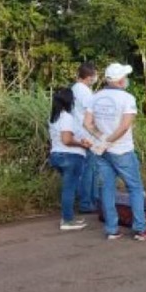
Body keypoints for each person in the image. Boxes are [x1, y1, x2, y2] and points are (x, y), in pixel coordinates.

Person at [84, 63, 146, 241]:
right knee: (135, 188)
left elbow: (87, 124)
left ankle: (112, 229)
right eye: (125, 77)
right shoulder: (127, 99)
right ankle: (139, 229)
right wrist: (109, 141)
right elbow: (124, 127)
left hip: (102, 151)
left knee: (107, 188)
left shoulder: (95, 97)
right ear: (120, 80)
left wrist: (102, 138)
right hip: (122, 150)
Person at [48, 87, 93, 230]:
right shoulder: (66, 117)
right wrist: (82, 144)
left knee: (71, 187)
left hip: (56, 155)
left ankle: (70, 216)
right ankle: (67, 220)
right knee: (69, 188)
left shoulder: (53, 117)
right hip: (70, 155)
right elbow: (67, 139)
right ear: (69, 101)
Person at [72, 62, 99, 214]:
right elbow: (92, 114)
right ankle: (87, 202)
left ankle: (89, 200)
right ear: (89, 77)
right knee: (90, 169)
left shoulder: (75, 89)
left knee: (86, 169)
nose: (95, 78)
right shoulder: (84, 92)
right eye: (94, 75)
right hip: (86, 135)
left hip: (79, 133)